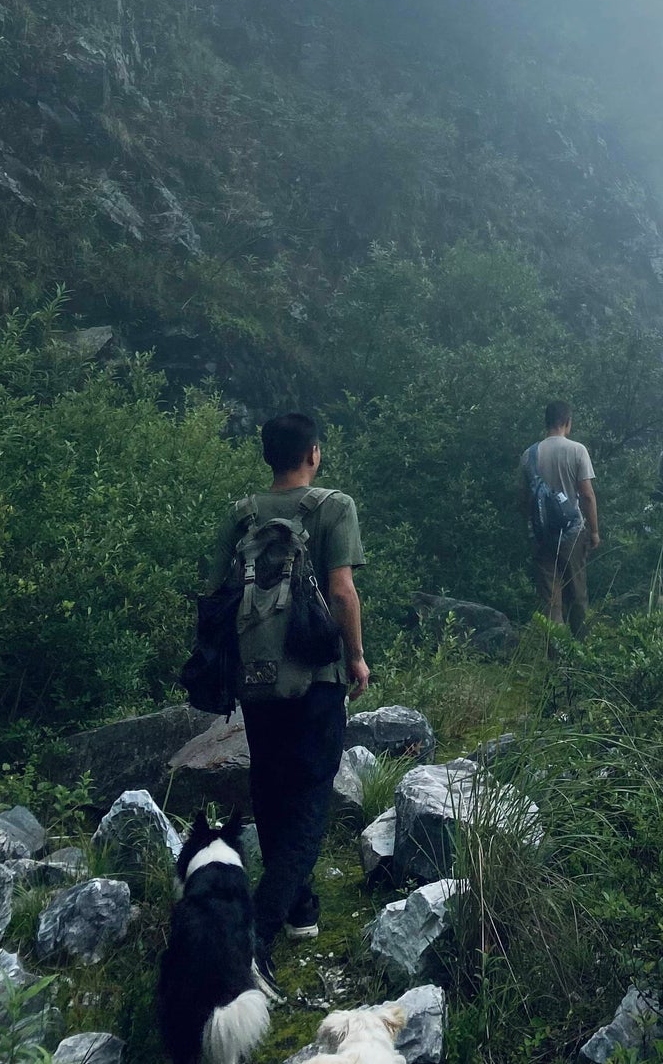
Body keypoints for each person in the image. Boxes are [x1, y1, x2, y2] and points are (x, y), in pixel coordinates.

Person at [205, 412, 368, 986]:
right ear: (314, 454)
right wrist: (355, 657)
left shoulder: (241, 515)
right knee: (310, 799)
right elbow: (343, 589)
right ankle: (258, 932)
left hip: (255, 677)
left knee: (271, 789)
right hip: (314, 675)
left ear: (268, 456)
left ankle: (299, 908)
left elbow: (213, 592)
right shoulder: (333, 506)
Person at [522, 400, 599, 636]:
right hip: (572, 535)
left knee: (550, 599)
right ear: (568, 422)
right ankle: (580, 654)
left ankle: (554, 655)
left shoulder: (529, 455)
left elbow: (523, 499)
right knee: (577, 594)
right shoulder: (577, 450)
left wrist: (530, 531)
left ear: (546, 422)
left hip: (543, 536)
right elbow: (586, 495)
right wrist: (594, 532)